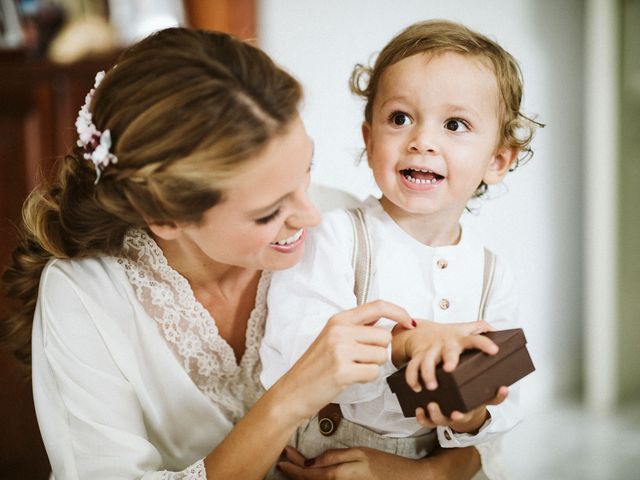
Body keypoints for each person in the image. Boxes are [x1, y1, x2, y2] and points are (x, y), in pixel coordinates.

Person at [0, 27, 488, 479]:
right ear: (167, 218)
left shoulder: (348, 227)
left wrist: (419, 472)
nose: (311, 216)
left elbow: (478, 435)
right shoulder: (85, 296)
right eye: (268, 212)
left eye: (306, 171)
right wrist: (290, 398)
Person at [261, 19, 541, 479]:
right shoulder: (338, 237)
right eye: (400, 118)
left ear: (497, 160)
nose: (422, 141)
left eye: (455, 124)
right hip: (326, 456)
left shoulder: (494, 272)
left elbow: (508, 396)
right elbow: (294, 355)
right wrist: (402, 343)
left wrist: (473, 416)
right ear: (370, 139)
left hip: (431, 462)